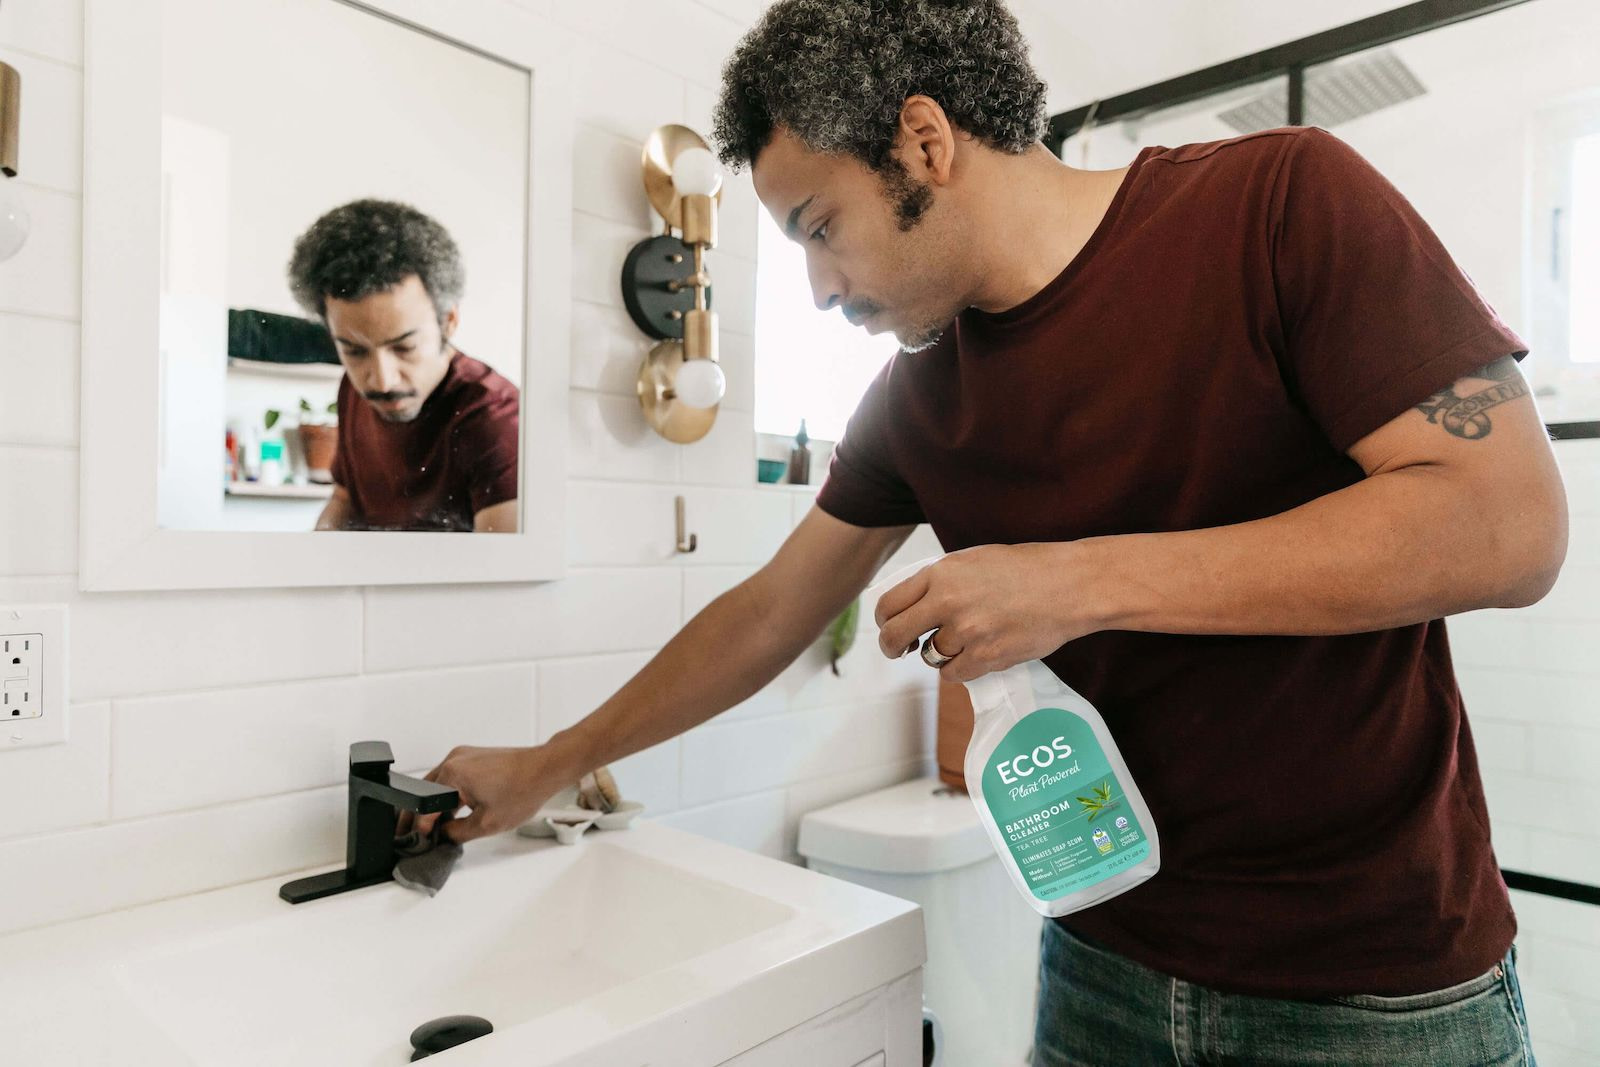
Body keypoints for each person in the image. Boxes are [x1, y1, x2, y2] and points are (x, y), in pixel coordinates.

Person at [408, 2, 1566, 1063]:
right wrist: (548, 763)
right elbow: (769, 611)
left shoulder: (1275, 203)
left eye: (820, 226)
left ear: (924, 141)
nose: (816, 287)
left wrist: (1073, 582)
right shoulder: (918, 394)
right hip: (1101, 965)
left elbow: (1506, 525)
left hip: (1373, 991)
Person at [288, 199, 520, 532]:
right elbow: (344, 497)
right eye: (354, 351)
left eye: (404, 347)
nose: (382, 381)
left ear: (449, 321)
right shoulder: (353, 389)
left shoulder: (495, 420)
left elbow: (504, 576)